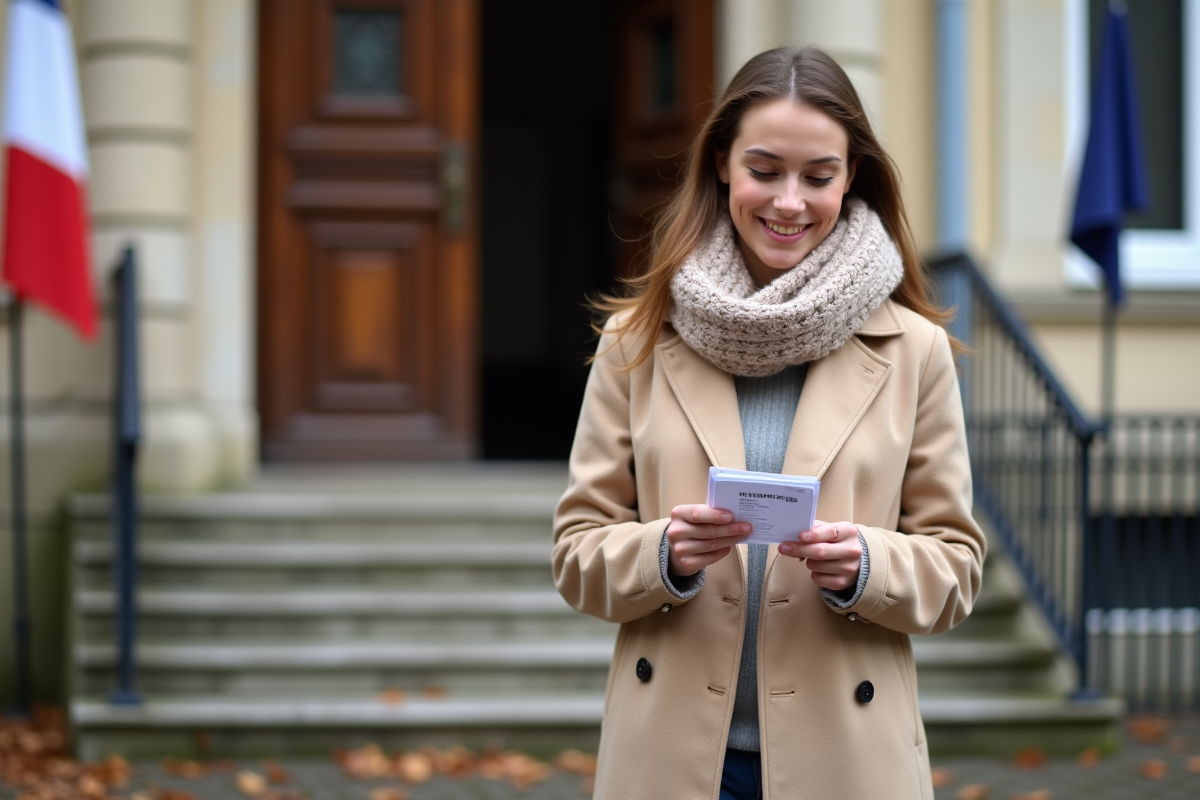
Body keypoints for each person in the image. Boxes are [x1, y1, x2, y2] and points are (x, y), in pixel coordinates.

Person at [552, 46, 986, 800]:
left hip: (847, 762)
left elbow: (956, 568)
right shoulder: (637, 339)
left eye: (818, 176)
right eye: (765, 169)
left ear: (852, 178)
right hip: (673, 762)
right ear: (722, 164)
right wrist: (666, 554)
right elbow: (575, 554)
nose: (790, 201)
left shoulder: (913, 350)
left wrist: (868, 568)